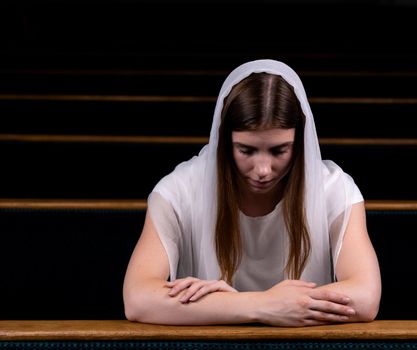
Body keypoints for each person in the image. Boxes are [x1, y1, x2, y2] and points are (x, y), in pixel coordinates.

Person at [123, 59, 381, 326]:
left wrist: (220, 305)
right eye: (246, 150)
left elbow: (365, 297)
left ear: (299, 143)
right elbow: (138, 298)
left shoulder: (335, 188)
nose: (263, 170)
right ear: (225, 143)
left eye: (279, 150)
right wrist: (262, 305)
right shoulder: (178, 190)